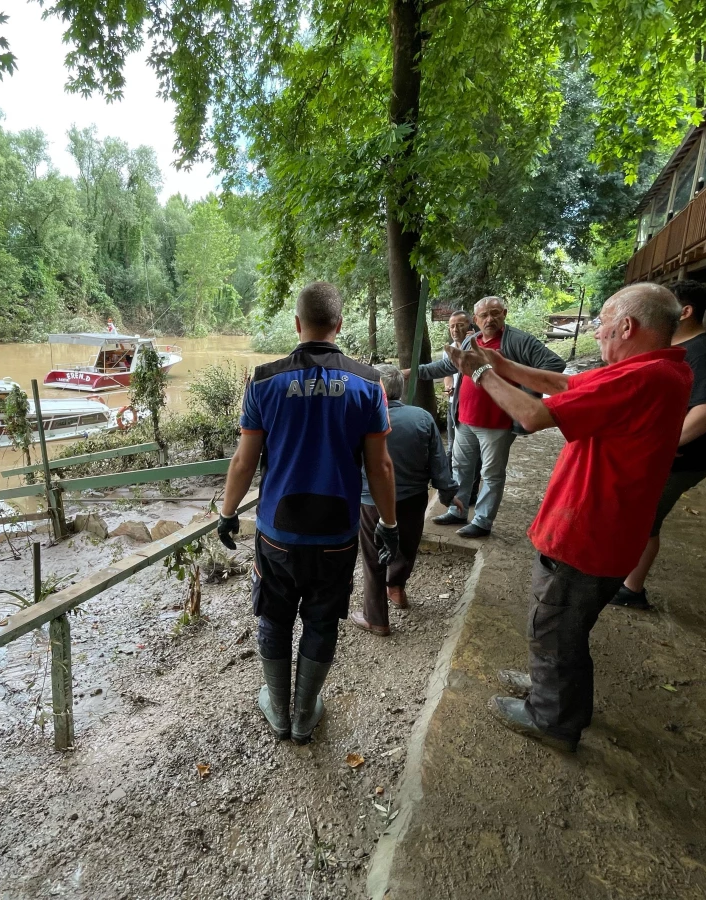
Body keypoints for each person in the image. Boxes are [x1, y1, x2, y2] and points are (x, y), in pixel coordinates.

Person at [444, 283, 691, 752]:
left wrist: (480, 375)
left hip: (590, 531)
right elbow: (564, 385)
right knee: (564, 625)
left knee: (554, 624)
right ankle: (550, 690)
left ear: (627, 326)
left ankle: (552, 719)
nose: (596, 330)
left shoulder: (642, 378)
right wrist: (499, 364)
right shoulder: (654, 369)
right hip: (607, 525)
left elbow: (535, 416)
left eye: (602, 322)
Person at [216, 281, 400, 745]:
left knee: (274, 618)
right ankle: (303, 715)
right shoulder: (368, 383)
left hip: (278, 531)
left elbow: (244, 460)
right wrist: (390, 523)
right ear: (338, 325)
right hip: (337, 534)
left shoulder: (263, 380)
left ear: (297, 324)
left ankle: (278, 711)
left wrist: (227, 511)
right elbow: (380, 464)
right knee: (321, 620)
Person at [611, 280, 706, 610]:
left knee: (645, 520)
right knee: (640, 517)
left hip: (681, 458)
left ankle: (631, 589)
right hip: (666, 454)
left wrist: (664, 442)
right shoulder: (679, 349)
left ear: (685, 312)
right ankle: (625, 579)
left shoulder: (704, 351)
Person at [411, 296, 564, 538]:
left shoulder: (518, 341)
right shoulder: (472, 340)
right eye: (484, 315)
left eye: (495, 313)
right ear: (476, 319)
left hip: (498, 423)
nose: (489, 319)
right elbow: (446, 368)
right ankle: (457, 510)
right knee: (461, 468)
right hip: (466, 420)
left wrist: (520, 383)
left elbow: (555, 364)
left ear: (504, 313)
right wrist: (412, 373)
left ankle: (482, 521)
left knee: (491, 474)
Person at [352, 365, 462, 636]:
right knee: (405, 546)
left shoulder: (359, 418)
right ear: (400, 390)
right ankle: (397, 588)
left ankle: (376, 618)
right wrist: (448, 494)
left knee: (372, 557)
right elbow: (439, 462)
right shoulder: (422, 418)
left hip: (371, 501)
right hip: (414, 498)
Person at [440, 310, 472, 451]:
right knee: (452, 443)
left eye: (459, 325)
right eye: (452, 326)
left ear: (469, 326)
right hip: (453, 403)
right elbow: (446, 373)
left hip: (470, 405)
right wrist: (449, 386)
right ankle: (449, 471)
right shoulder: (449, 349)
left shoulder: (476, 346)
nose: (455, 329)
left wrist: (472, 343)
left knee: (470, 446)